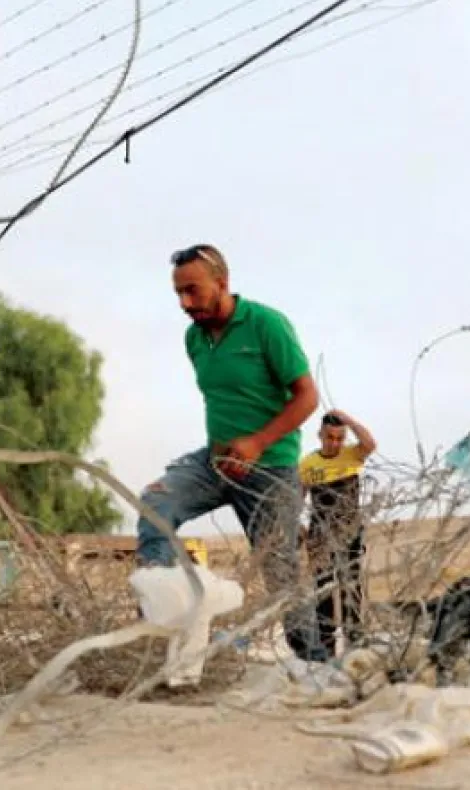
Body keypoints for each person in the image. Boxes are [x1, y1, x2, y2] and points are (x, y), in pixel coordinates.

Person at [135, 243, 327, 661]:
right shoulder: (194, 337)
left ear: (222, 283)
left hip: (269, 469)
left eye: (193, 291)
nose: (186, 303)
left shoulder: (266, 325)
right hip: (214, 461)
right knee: (154, 505)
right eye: (178, 294)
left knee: (282, 572)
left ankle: (314, 662)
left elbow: (308, 397)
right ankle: (165, 625)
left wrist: (257, 442)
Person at [297, 409, 377, 660]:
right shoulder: (308, 464)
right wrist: (300, 527)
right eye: (329, 437)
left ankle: (355, 646)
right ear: (320, 435)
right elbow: (298, 499)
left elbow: (369, 444)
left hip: (349, 531)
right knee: (323, 591)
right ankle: (327, 649)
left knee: (350, 588)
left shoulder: (352, 455)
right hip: (320, 535)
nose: (334, 443)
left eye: (339, 438)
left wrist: (350, 420)